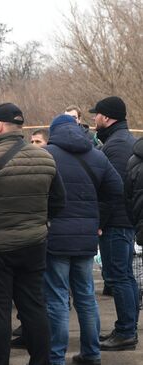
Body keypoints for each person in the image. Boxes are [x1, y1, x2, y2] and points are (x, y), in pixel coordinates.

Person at [0, 102, 66, 365]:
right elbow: (58, 202)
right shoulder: (45, 157)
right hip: (33, 245)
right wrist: (36, 221)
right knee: (34, 309)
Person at [43, 114, 123, 365]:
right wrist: (99, 221)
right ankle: (91, 353)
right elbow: (116, 189)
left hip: (55, 236)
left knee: (56, 298)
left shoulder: (46, 155)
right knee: (86, 296)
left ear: (53, 132)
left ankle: (55, 357)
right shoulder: (97, 155)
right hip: (87, 237)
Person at [91, 96, 139, 351]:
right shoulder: (119, 140)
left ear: (107, 117)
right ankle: (126, 329)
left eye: (96, 114)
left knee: (118, 277)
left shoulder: (117, 145)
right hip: (121, 221)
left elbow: (115, 189)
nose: (93, 119)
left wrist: (101, 221)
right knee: (124, 276)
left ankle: (126, 332)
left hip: (117, 223)